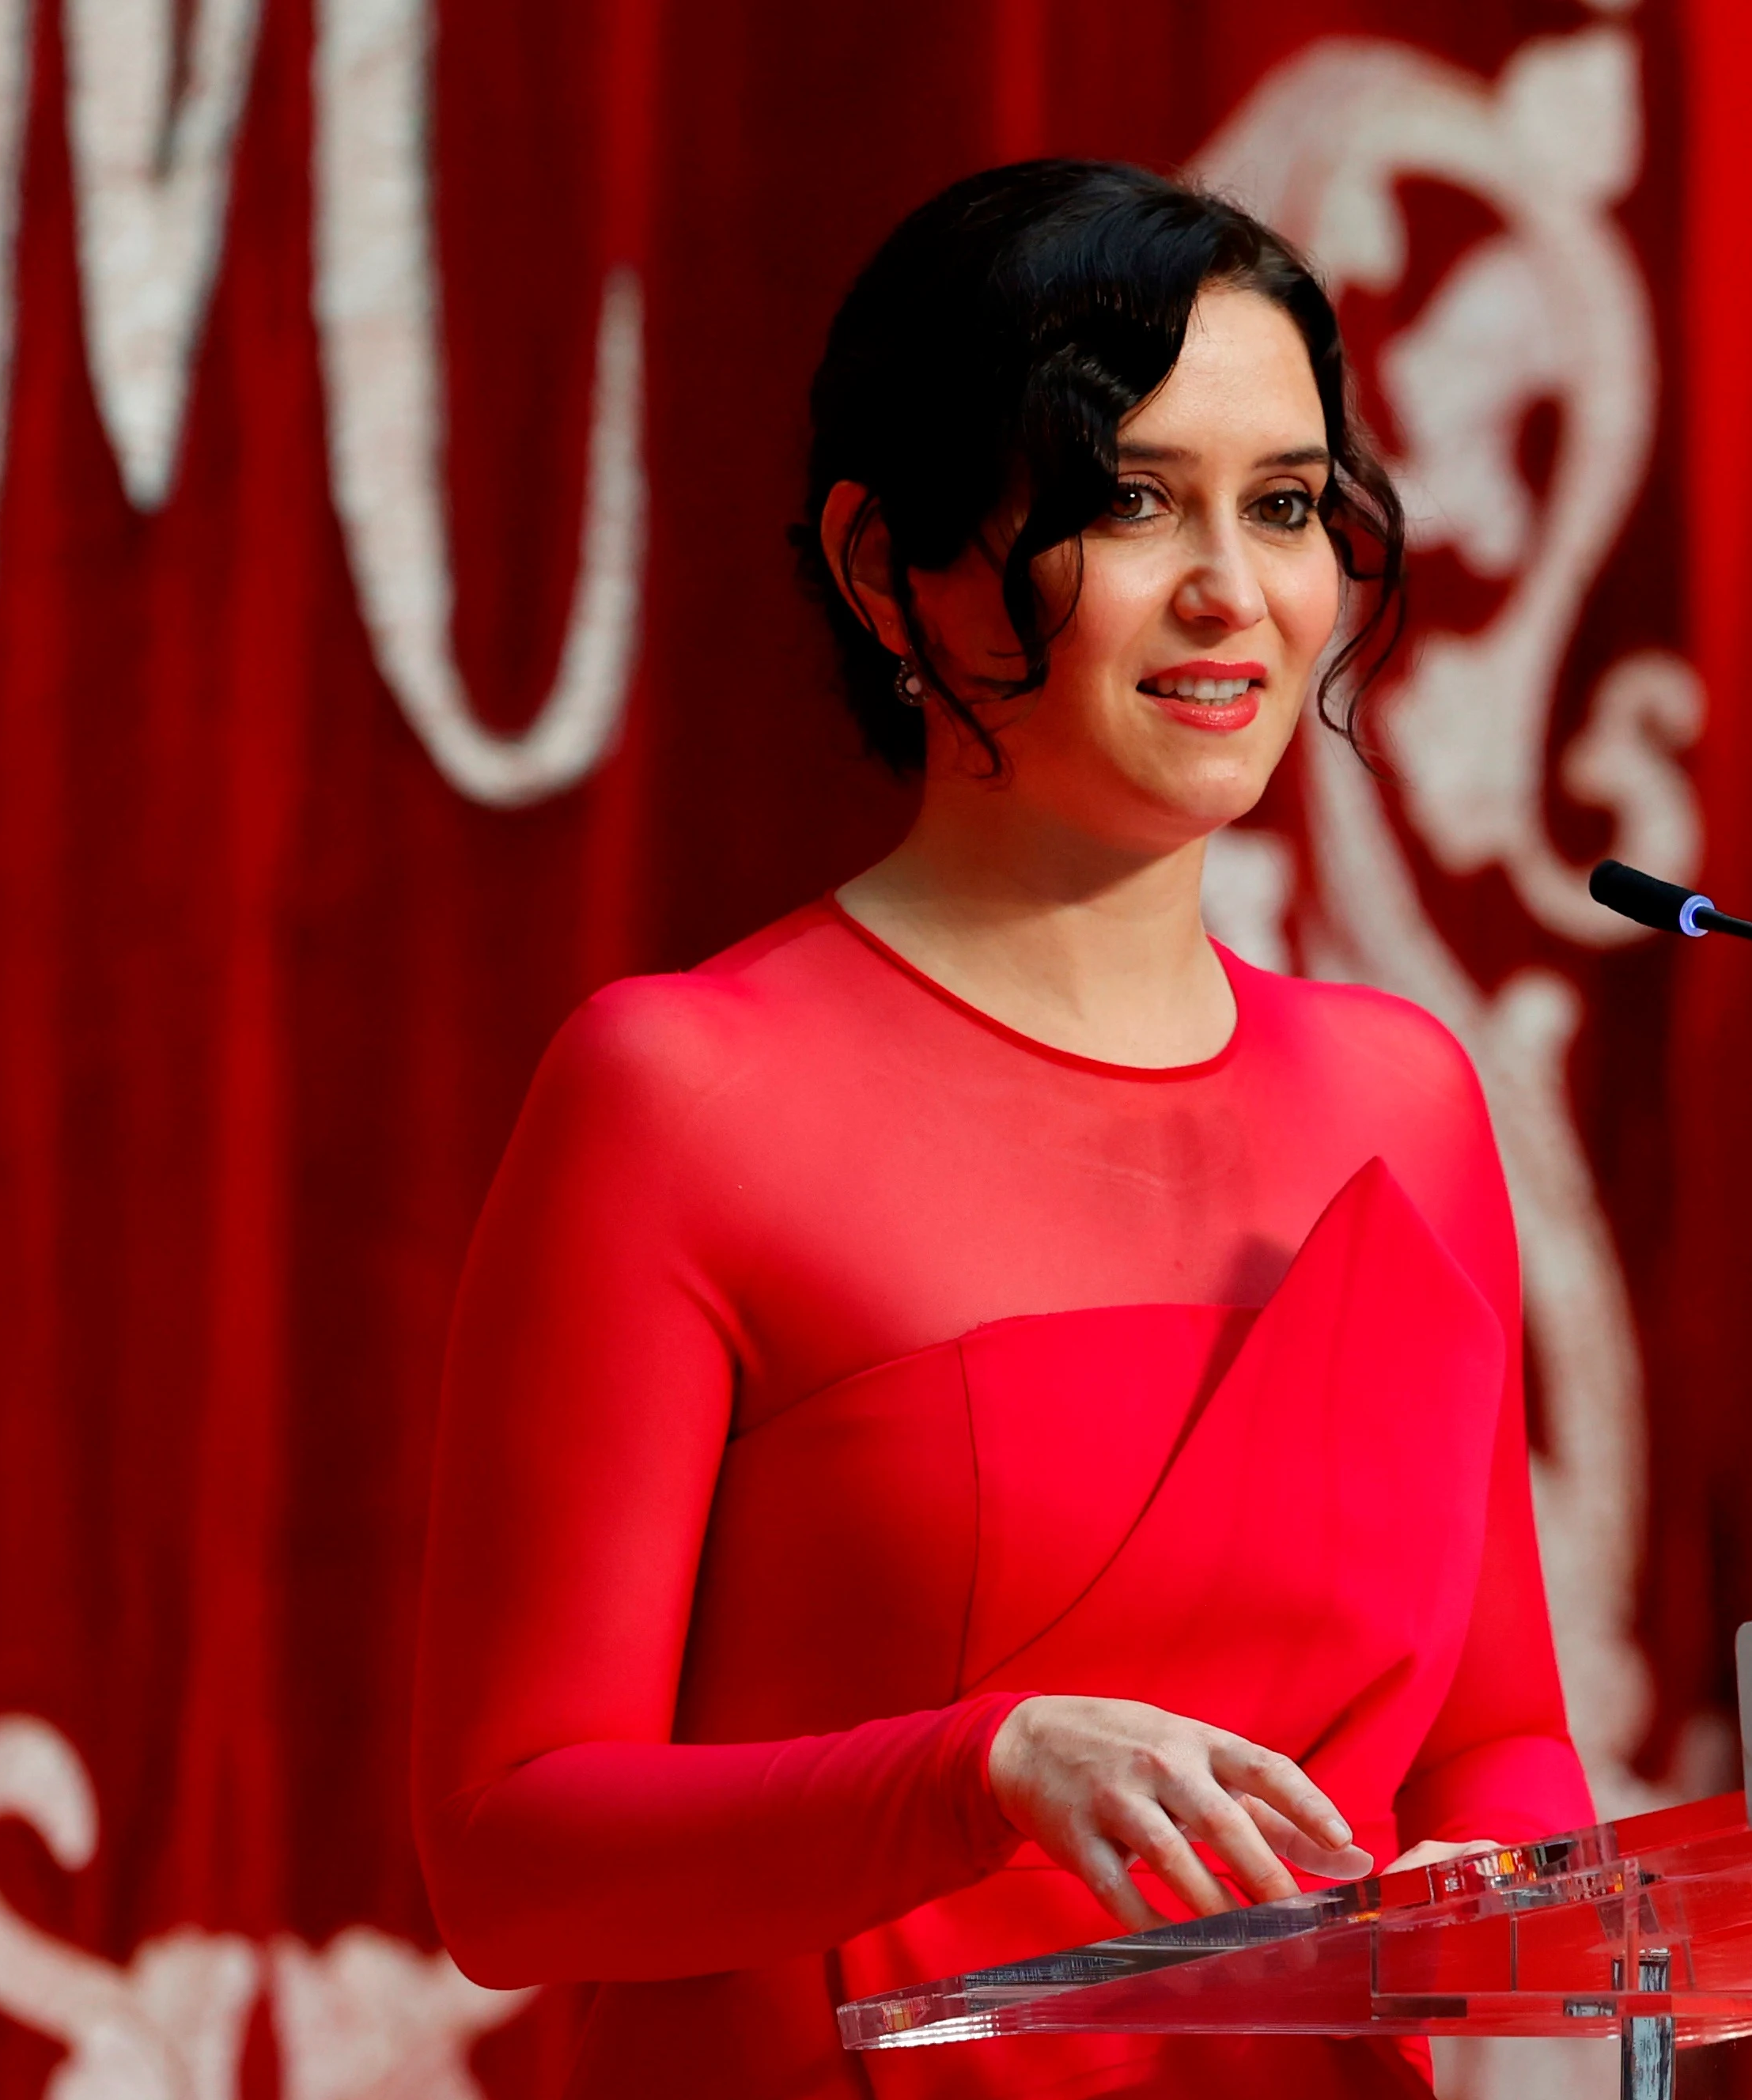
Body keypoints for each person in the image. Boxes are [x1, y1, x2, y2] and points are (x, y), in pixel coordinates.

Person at [411, 161, 1588, 2098]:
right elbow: (506, 1860)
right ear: (888, 564)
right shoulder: (679, 1089)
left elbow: (1494, 1742)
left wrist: (1499, 1883)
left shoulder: (1406, 1097)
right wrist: (981, 1767)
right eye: (1134, 500)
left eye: (1285, 506)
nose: (1236, 592)